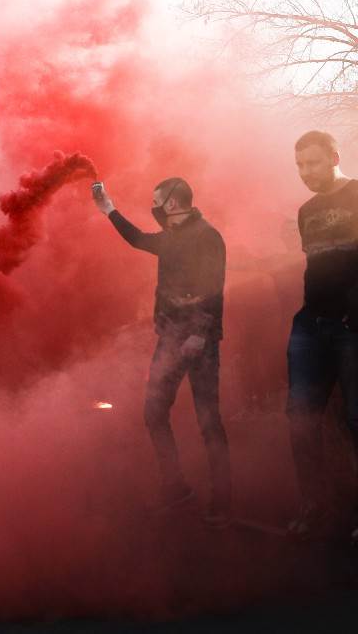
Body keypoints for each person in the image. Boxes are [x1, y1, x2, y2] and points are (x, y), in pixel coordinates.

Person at [93, 178, 230, 526]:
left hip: (200, 342)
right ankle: (176, 490)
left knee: (208, 419)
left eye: (156, 200)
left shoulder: (207, 236)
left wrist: (200, 334)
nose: (152, 206)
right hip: (170, 337)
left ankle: (223, 501)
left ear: (171, 203)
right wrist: (109, 209)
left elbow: (213, 288)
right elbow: (139, 240)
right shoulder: (170, 238)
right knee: (154, 412)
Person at [286, 131, 358, 541]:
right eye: (299, 165)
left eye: (312, 163)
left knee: (356, 419)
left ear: (334, 156)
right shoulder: (306, 210)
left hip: (352, 328)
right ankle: (314, 507)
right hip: (310, 326)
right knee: (300, 417)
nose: (305, 172)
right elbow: (318, 267)